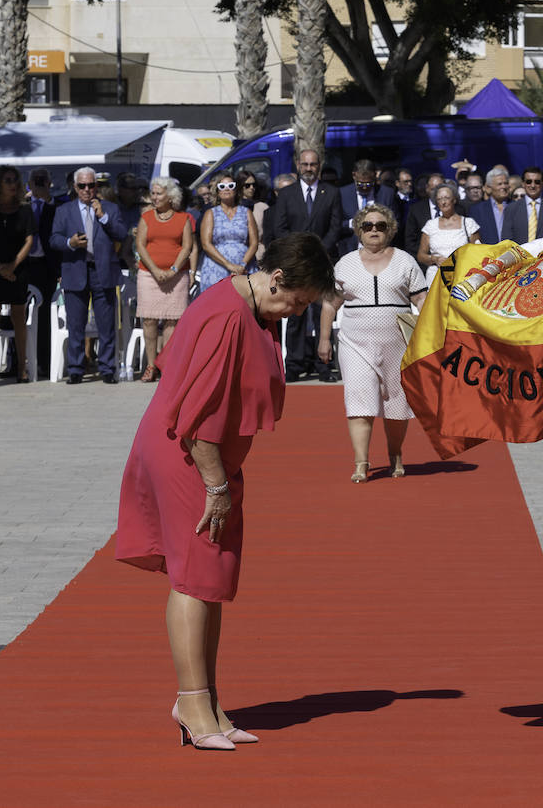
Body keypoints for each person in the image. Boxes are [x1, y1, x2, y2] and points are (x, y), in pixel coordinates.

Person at [115, 233, 335, 751]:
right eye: (297, 301)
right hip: (188, 456)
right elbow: (197, 416)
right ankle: (191, 701)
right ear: (276, 278)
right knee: (194, 578)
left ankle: (208, 699)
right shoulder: (228, 315)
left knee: (211, 577)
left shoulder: (247, 308)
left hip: (205, 456)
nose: (296, 313)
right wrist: (216, 485)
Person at [317, 205, 428, 483]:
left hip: (398, 342)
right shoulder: (344, 263)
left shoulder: (405, 261)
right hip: (355, 342)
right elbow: (330, 303)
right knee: (358, 396)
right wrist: (324, 339)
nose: (374, 230)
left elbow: (422, 301)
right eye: (368, 226)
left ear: (390, 229)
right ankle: (360, 462)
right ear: (359, 230)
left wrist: (430, 334)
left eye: (380, 225)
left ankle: (395, 453)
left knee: (397, 400)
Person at [51, 166, 128, 384]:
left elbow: (122, 234)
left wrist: (103, 217)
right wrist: (70, 243)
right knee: (76, 323)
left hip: (102, 270)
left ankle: (106, 368)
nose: (87, 190)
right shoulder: (64, 211)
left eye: (91, 185)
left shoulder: (110, 208)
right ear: (75, 187)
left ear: (97, 186)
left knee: (106, 324)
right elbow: (53, 239)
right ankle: (76, 368)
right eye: (82, 186)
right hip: (75, 269)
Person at [270, 149, 342, 381]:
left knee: (323, 313)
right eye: (305, 164)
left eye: (313, 164)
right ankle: (293, 365)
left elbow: (335, 226)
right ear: (298, 165)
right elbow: (279, 228)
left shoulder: (331, 192)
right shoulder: (287, 194)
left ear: (319, 165)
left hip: (323, 263)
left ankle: (322, 365)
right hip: (296, 263)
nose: (309, 168)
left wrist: (318, 252)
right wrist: (298, 253)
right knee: (295, 313)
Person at [0, 165, 36, 383]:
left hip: (18, 268)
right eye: (8, 180)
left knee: (18, 317)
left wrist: (12, 266)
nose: (12, 184)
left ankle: (22, 367)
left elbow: (30, 240)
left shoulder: (25, 210)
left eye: (15, 180)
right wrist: (0, 267)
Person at [134, 178, 194, 382]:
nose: (154, 197)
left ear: (170, 196)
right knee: (149, 320)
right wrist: (155, 269)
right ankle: (151, 365)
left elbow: (187, 247)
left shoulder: (183, 218)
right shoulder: (146, 217)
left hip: (176, 277)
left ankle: (167, 365)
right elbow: (140, 246)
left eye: (158, 193)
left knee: (172, 321)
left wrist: (174, 269)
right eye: (153, 193)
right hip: (149, 276)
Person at [197, 172, 259, 293]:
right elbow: (206, 244)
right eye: (222, 186)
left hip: (244, 268)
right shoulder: (210, 213)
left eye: (231, 186)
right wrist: (228, 265)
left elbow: (254, 243)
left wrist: (242, 265)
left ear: (236, 190)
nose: (226, 189)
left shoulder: (246, 212)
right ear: (217, 191)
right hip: (216, 267)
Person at [25, 168, 60, 379]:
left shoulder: (57, 206)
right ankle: (18, 362)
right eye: (34, 181)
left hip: (46, 267)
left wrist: (46, 199)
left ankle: (45, 364)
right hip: (25, 264)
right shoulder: (22, 205)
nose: (38, 185)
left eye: (42, 181)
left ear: (49, 183)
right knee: (18, 315)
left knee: (45, 316)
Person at [417, 184, 479, 281]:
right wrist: (435, 259)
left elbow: (478, 253)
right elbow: (421, 255)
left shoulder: (468, 224)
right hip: (436, 277)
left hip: (462, 276)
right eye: (439, 199)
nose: (443, 202)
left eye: (446, 198)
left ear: (454, 200)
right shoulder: (430, 225)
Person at [335, 158, 398, 253]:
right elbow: (335, 224)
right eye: (360, 184)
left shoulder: (387, 194)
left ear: (375, 175)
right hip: (350, 249)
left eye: (369, 184)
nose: (364, 187)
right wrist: (351, 223)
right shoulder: (342, 193)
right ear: (354, 175)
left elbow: (395, 223)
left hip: (381, 250)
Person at [500, 167, 543, 243]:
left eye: (537, 182)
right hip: (519, 253)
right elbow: (506, 240)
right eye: (528, 182)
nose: (533, 185)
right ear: (523, 183)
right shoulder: (511, 209)